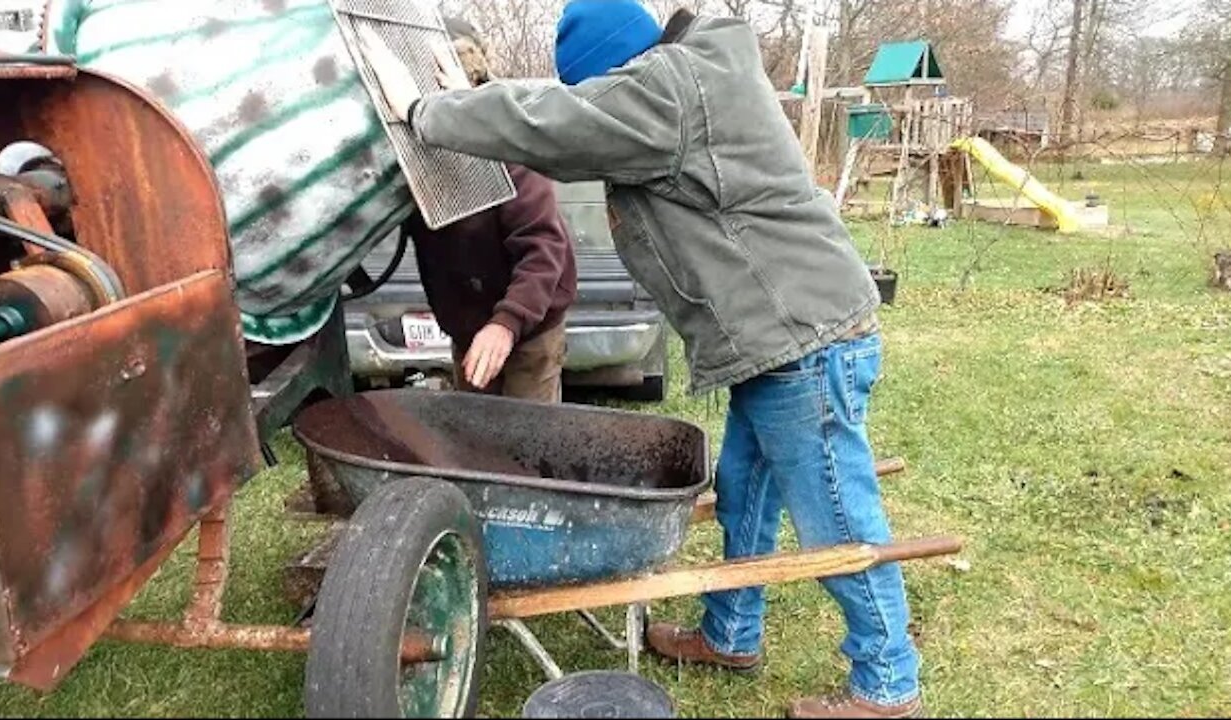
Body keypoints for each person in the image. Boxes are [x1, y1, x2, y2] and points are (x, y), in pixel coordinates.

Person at [357, 2, 921, 716]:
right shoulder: (690, 80)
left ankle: (888, 684)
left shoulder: (668, 91)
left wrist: (424, 110)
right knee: (746, 493)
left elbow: (551, 122)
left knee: (835, 511)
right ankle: (732, 634)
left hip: (805, 339)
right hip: (778, 341)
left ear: (620, 72)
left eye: (602, 92)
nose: (604, 107)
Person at [401, 18, 576, 402]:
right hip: (468, 326)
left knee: (530, 443)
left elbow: (543, 250)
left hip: (530, 326)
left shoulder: (510, 150)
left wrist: (507, 323)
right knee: (478, 438)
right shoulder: (416, 154)